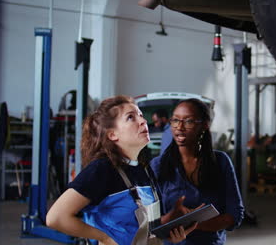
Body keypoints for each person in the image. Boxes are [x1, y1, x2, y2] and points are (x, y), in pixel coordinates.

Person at [46, 95, 198, 245]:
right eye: (131, 117)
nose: (143, 120)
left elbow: (142, 228)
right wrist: (104, 238)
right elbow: (56, 217)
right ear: (112, 134)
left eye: (140, 115)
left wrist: (170, 233)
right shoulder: (102, 169)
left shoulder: (146, 170)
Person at [150, 98, 244, 245]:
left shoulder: (220, 161)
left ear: (204, 125)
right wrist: (171, 219)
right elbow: (150, 224)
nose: (179, 127)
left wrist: (194, 223)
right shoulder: (157, 166)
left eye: (188, 121)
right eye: (175, 120)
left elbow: (235, 215)